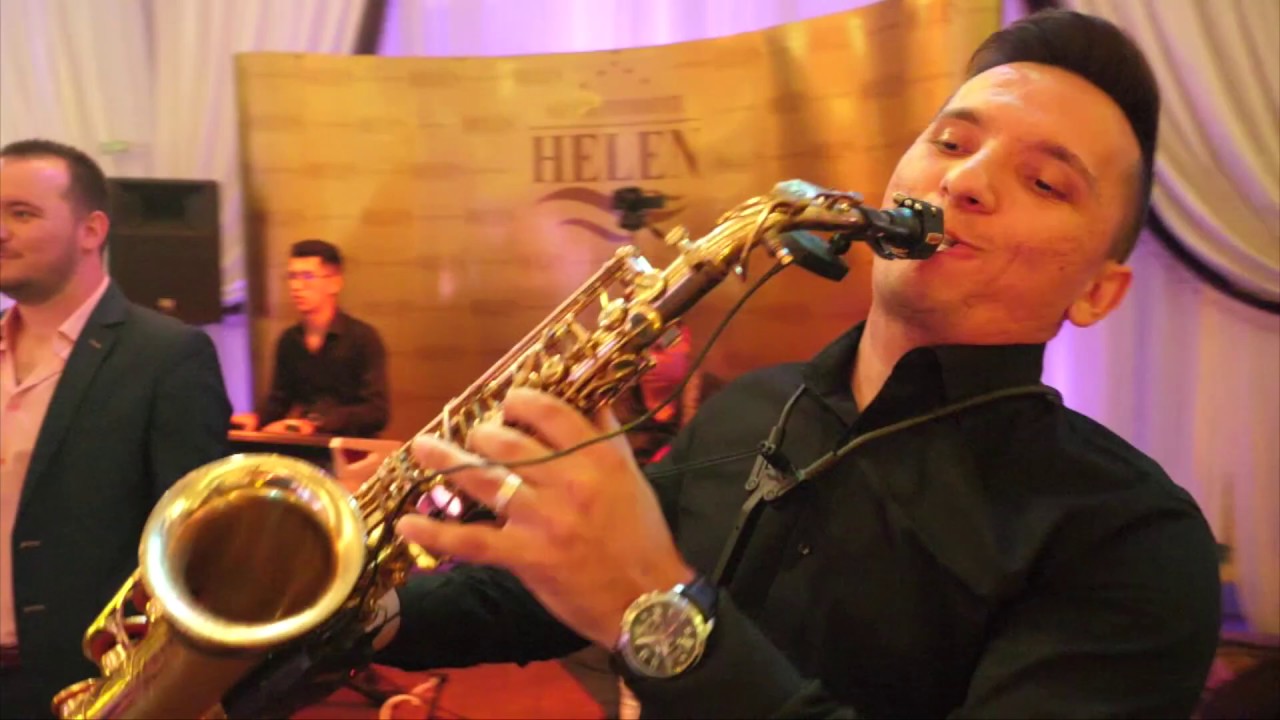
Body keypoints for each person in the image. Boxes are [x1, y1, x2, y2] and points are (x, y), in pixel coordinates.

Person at [364, 10, 1223, 719]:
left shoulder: (1131, 539)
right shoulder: (751, 406)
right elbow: (551, 589)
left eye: (1045, 183)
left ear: (1099, 293)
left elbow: (628, 593)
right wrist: (373, 609)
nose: (965, 182)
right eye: (952, 141)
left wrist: (654, 610)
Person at [0, 139, 232, 719]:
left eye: (21, 213)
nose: (0, 231)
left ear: (91, 230)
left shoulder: (167, 355)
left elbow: (196, 548)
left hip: (83, 681)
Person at [231, 239, 389, 437]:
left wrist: (317, 423)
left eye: (307, 276)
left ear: (334, 283)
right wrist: (256, 418)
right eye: (292, 276)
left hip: (351, 446)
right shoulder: (289, 340)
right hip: (306, 444)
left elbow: (376, 412)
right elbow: (279, 400)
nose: (297, 286)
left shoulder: (362, 338)